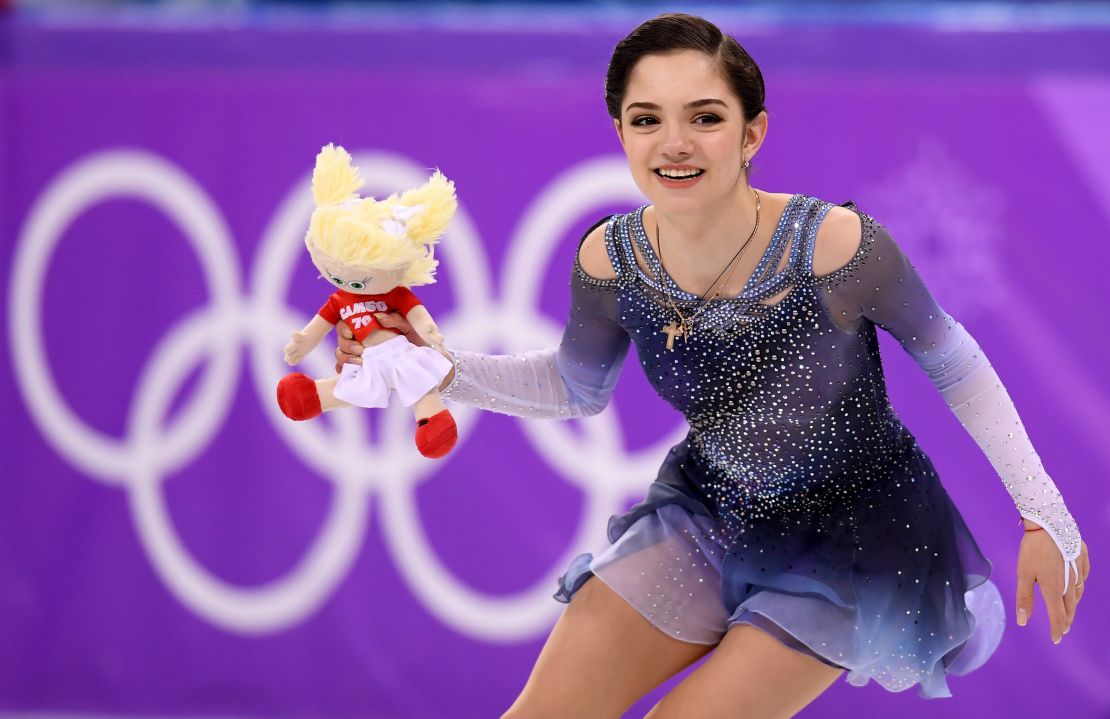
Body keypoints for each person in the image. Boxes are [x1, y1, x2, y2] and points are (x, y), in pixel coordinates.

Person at [336, 13, 1090, 718]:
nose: (675, 143)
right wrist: (441, 370)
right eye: (646, 120)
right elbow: (575, 386)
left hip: (853, 542)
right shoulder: (611, 260)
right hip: (709, 513)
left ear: (752, 132)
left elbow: (957, 364)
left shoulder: (836, 247)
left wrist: (1043, 512)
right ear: (620, 134)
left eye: (705, 117)